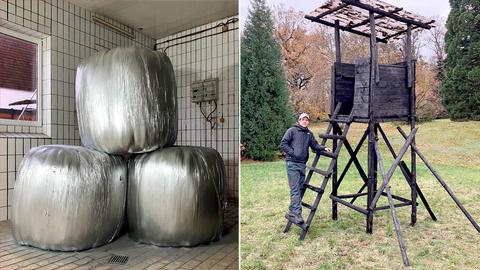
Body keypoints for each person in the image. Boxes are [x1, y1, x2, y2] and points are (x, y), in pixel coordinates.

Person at [279, 113, 332, 224]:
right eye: (302, 119)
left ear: (308, 121)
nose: (304, 121)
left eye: (306, 120)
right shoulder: (292, 131)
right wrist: (292, 153)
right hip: (292, 164)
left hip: (302, 164)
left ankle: (291, 210)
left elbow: (315, 146)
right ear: (299, 120)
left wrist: (324, 148)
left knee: (300, 187)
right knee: (295, 189)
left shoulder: (309, 133)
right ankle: (296, 213)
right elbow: (283, 144)